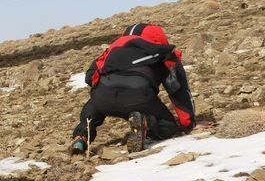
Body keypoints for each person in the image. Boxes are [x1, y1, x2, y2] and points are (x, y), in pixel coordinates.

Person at [70, 22, 196, 155]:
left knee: (95, 103)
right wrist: (188, 123)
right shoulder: (163, 52)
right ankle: (146, 122)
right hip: (138, 98)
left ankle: (81, 137)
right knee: (168, 126)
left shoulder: (113, 48)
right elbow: (177, 88)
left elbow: (90, 77)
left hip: (103, 97)